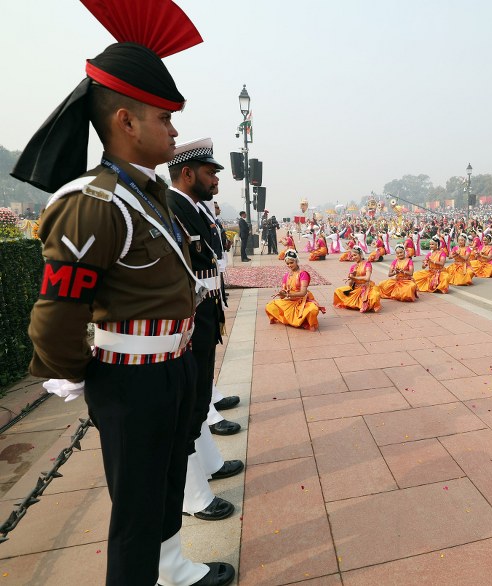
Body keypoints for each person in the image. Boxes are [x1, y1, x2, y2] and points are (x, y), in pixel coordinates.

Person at [12, 6, 235, 584]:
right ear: (126, 122)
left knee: (164, 486)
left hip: (174, 365)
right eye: (165, 118)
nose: (175, 131)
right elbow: (59, 307)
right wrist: (69, 369)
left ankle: (172, 567)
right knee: (135, 512)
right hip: (131, 378)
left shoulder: (150, 194)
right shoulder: (93, 202)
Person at [167, 139, 242, 524]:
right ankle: (193, 496)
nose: (215, 179)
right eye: (210, 172)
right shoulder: (173, 206)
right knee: (189, 405)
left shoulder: (193, 207)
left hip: (205, 308)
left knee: (198, 398)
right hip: (190, 313)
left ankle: (208, 462)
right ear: (187, 173)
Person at [266, 250, 326, 330]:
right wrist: (282, 293)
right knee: (270, 306)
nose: (289, 265)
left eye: (291, 262)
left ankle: (298, 320)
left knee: (313, 310)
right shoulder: (286, 276)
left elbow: (303, 293)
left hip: (303, 301)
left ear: (296, 261)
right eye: (287, 263)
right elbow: (283, 295)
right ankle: (296, 320)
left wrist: (287, 295)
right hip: (290, 301)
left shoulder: (303, 274)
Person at [333, 246, 382, 312]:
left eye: (355, 255)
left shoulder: (367, 264)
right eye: (352, 256)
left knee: (375, 296)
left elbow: (367, 278)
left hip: (367, 287)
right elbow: (350, 285)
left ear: (360, 254)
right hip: (356, 288)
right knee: (338, 291)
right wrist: (352, 277)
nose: (354, 257)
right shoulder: (353, 267)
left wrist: (354, 277)